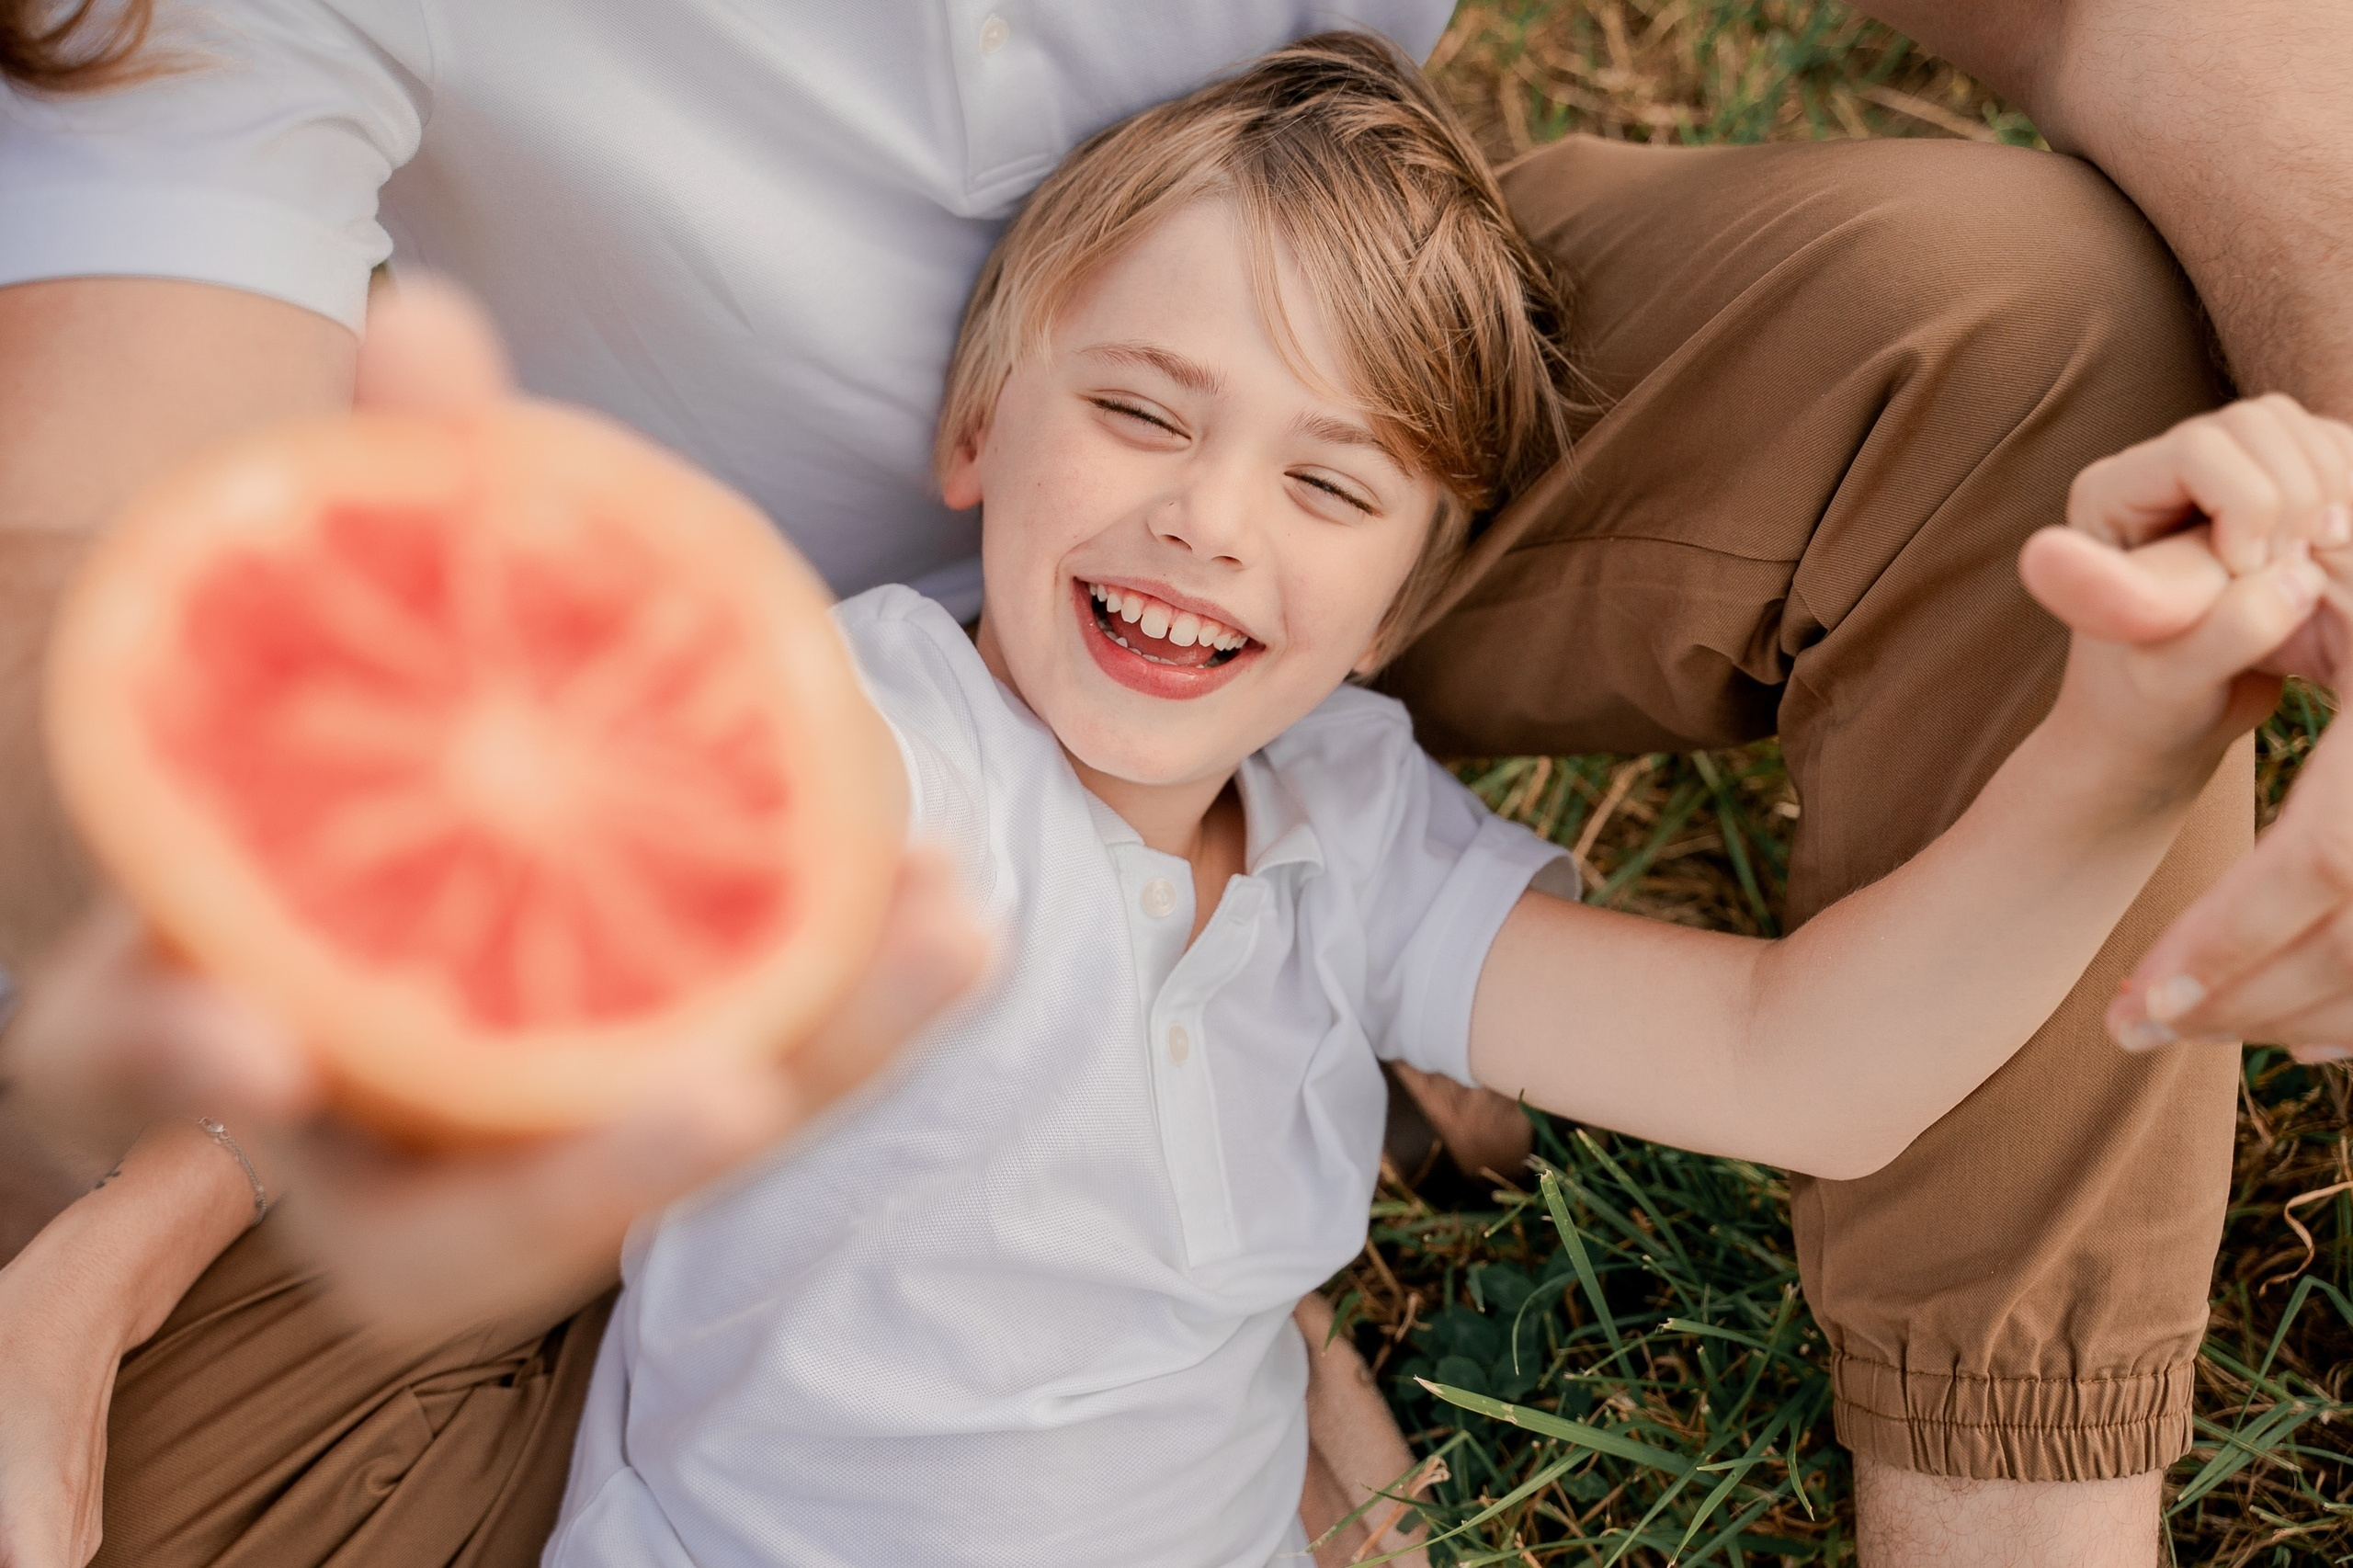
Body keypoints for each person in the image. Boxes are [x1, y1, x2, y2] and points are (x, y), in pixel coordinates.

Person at [1, 2, 2349, 1563]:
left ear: (1428, 575)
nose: (1215, 518)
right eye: (1137, 415)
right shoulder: (863, 742)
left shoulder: (1349, 843)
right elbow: (456, 924)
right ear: (970, 443)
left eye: (1332, 494)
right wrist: (129, 1232)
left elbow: (1811, 1067)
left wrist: (2120, 745)